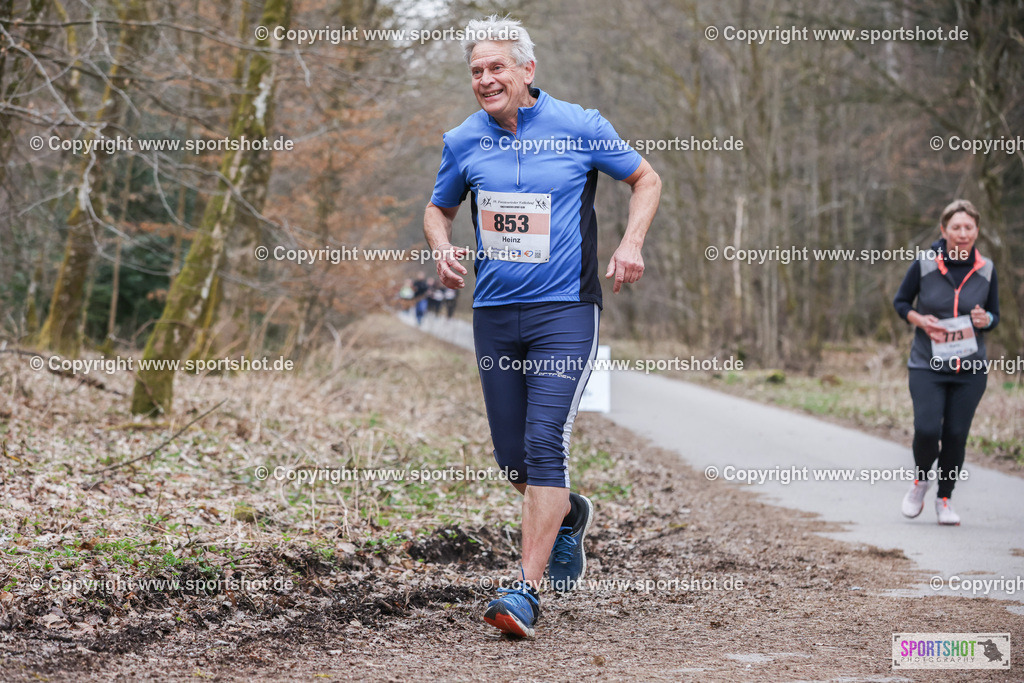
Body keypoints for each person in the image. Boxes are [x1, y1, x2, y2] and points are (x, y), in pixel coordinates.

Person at [424, 15, 661, 638]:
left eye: (497, 67)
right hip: (495, 316)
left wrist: (632, 242)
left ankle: (523, 592)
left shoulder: (581, 125)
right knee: (512, 461)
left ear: (528, 70)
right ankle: (569, 511)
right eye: (476, 71)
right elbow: (437, 206)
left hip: (565, 313)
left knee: (542, 440)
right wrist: (441, 245)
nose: (485, 79)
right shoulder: (463, 140)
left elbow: (646, 179)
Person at [893, 199, 999, 526]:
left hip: (969, 370)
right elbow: (900, 302)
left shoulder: (986, 269)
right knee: (927, 430)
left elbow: (995, 316)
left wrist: (986, 319)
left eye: (969, 227)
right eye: (956, 227)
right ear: (944, 230)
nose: (963, 233)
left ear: (977, 231)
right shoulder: (925, 264)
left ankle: (944, 498)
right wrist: (921, 321)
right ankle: (921, 480)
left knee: (955, 434)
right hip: (927, 365)